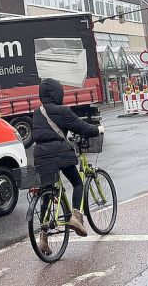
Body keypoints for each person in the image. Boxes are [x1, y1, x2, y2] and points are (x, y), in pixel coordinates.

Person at [32, 78, 104, 252]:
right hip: (60, 151)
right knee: (77, 182)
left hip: (40, 154)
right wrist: (98, 130)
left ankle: (43, 237)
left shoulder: (37, 112)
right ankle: (76, 217)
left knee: (47, 192)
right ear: (58, 93)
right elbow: (81, 127)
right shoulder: (63, 110)